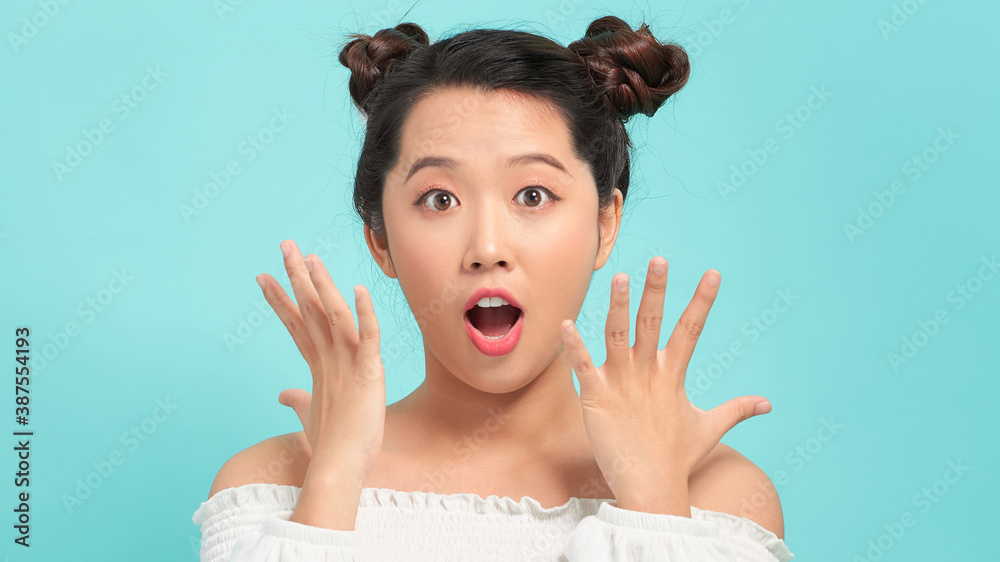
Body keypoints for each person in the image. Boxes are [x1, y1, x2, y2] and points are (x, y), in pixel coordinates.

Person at [192, 15, 794, 561]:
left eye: (533, 196)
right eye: (440, 199)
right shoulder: (272, 485)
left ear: (604, 224)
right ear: (381, 240)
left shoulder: (714, 493)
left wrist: (655, 502)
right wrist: (333, 481)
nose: (486, 249)